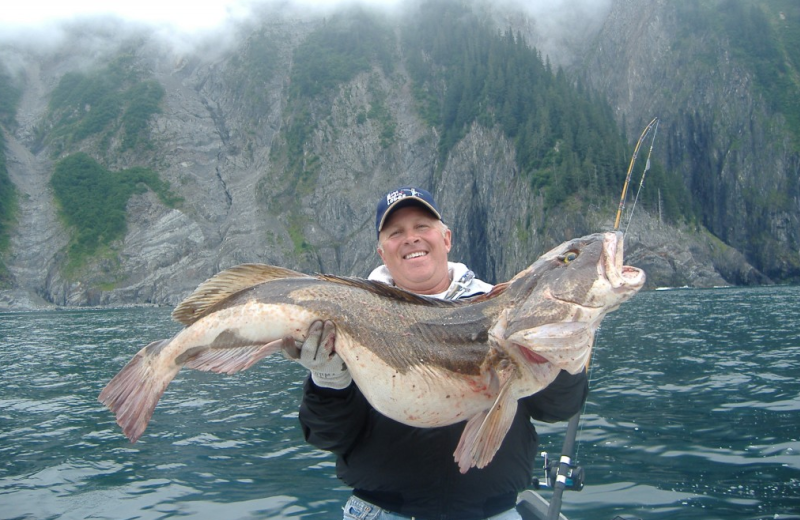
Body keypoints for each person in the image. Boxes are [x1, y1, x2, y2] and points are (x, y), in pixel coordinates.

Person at [292, 187, 589, 520]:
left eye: (422, 227)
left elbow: (558, 408)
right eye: (396, 233)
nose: (411, 239)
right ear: (381, 252)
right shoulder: (349, 318)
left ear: (446, 238)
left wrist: (560, 353)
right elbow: (328, 435)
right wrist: (328, 378)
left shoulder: (503, 309)